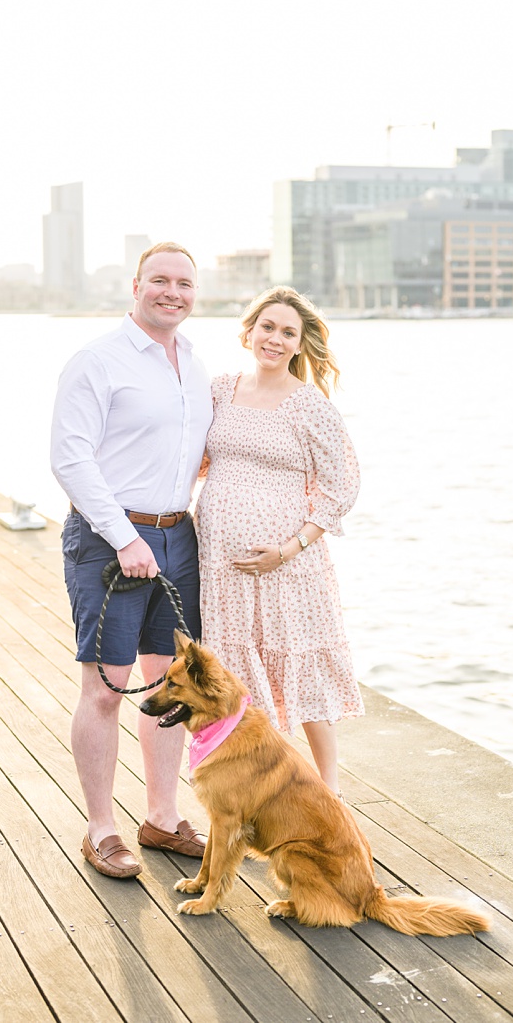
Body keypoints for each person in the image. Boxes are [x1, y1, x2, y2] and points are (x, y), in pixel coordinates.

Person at [50, 241, 213, 878]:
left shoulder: (194, 363)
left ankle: (163, 818)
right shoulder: (98, 361)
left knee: (172, 689)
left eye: (185, 284)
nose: (173, 292)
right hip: (109, 544)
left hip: (179, 539)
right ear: (136, 286)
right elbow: (70, 459)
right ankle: (100, 829)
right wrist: (124, 537)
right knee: (105, 692)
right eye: (160, 281)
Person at [195, 287, 361, 790]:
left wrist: (291, 548)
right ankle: (250, 790)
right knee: (236, 678)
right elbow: (191, 459)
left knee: (301, 668)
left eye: (288, 332)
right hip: (223, 570)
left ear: (299, 345)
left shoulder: (309, 406)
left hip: (289, 569)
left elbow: (343, 485)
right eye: (268, 326)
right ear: (249, 331)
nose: (275, 338)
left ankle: (328, 794)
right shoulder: (220, 390)